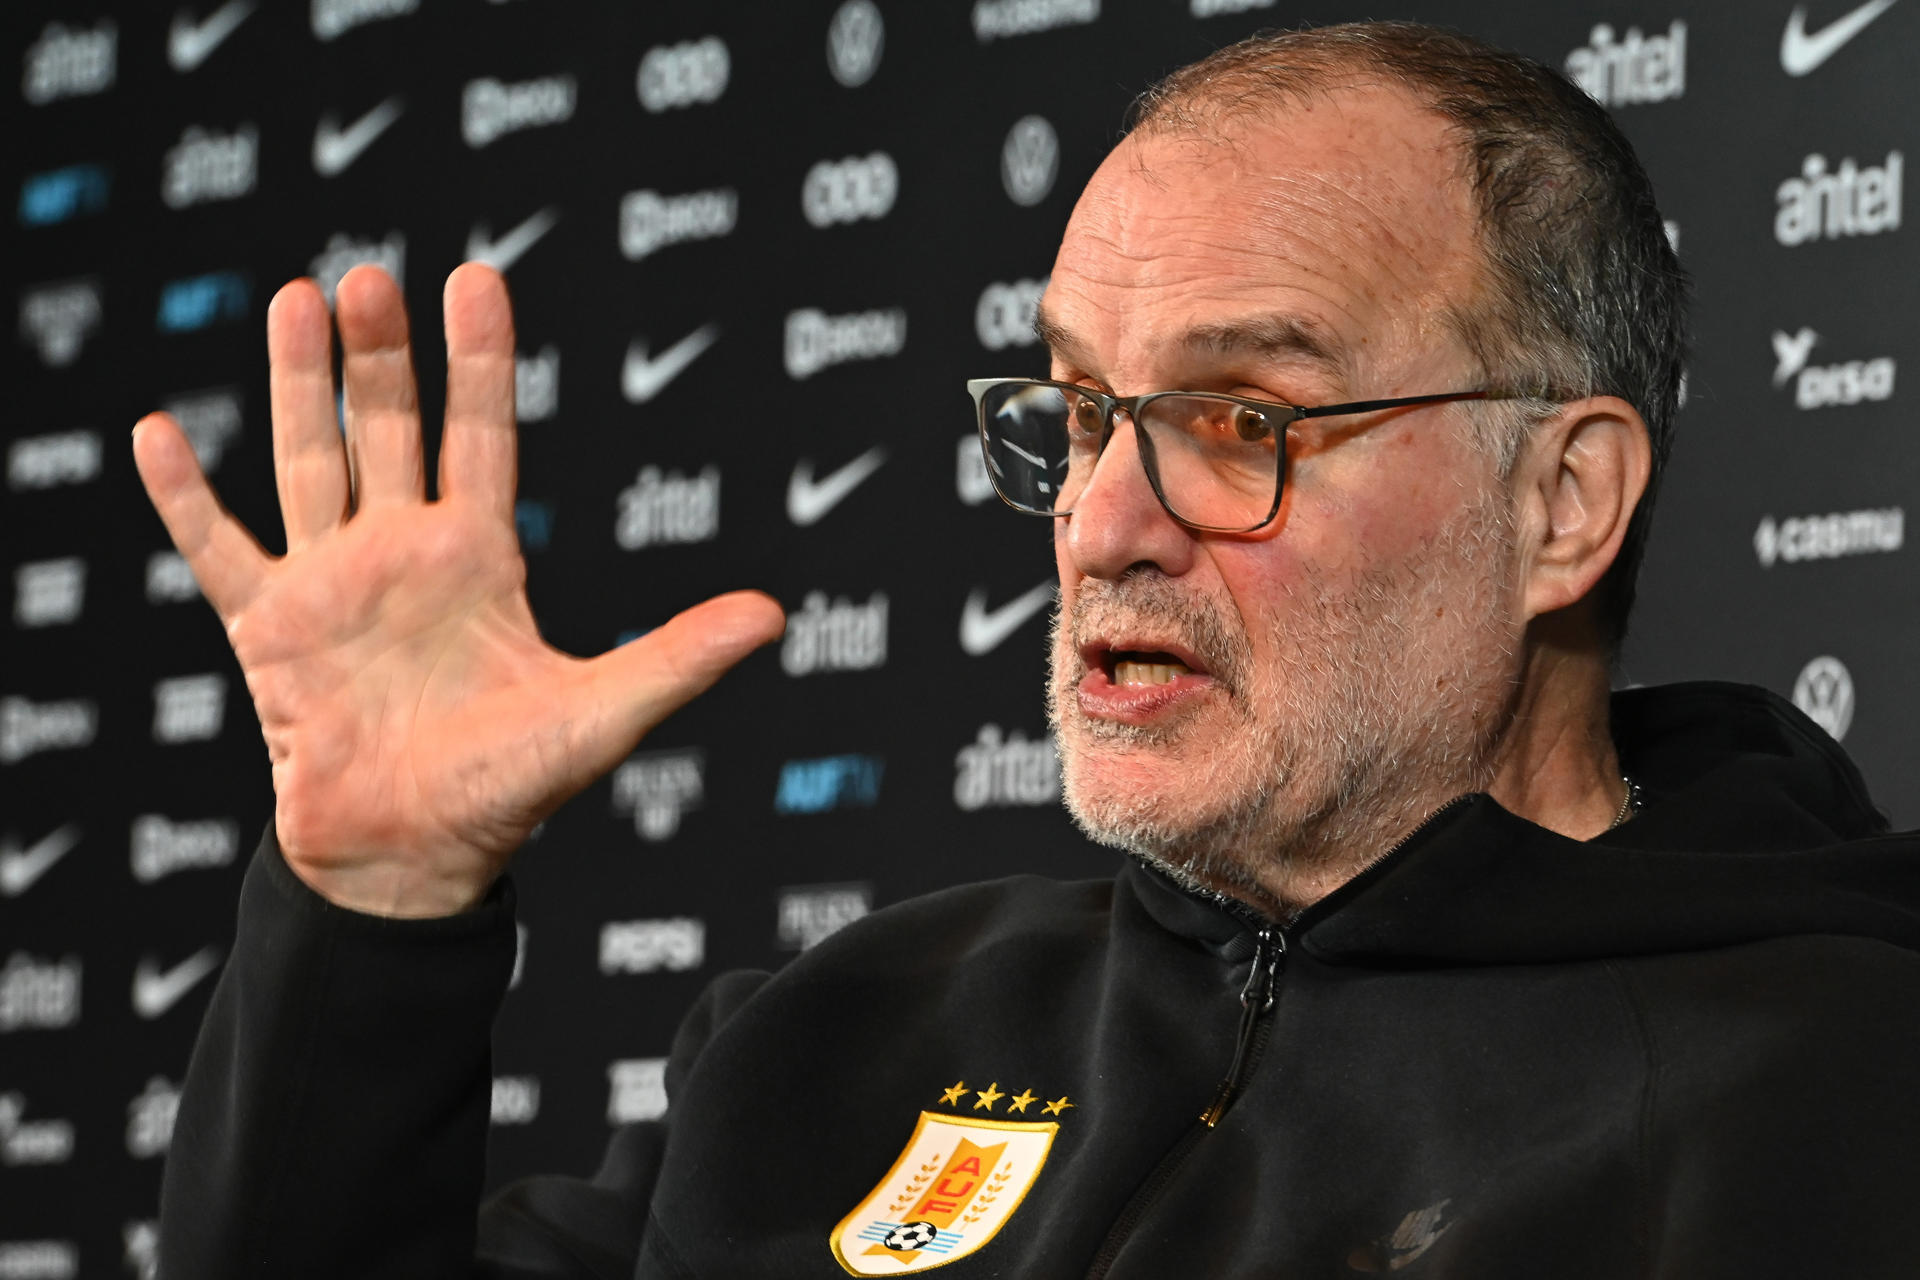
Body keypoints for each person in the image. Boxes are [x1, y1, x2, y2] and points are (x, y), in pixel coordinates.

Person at [141, 21, 1920, 1280]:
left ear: (1564, 501)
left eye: (1240, 416)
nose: (1103, 521)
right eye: (1077, 412)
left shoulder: (1841, 1100)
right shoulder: (828, 1041)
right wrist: (367, 916)